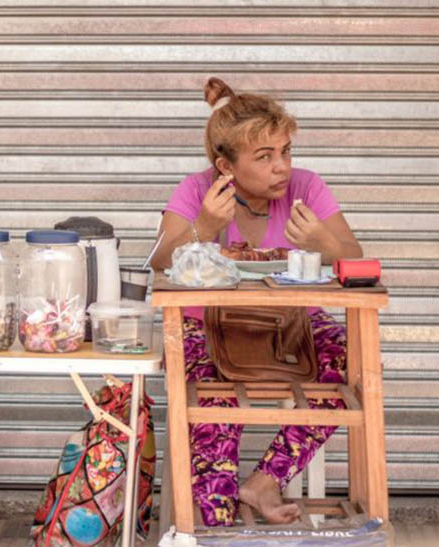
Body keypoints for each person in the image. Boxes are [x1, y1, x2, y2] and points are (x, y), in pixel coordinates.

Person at [150, 77, 363, 526]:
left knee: (350, 362)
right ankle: (218, 520)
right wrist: (204, 226)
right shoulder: (196, 191)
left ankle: (265, 480)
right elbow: (160, 261)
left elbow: (354, 257)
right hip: (206, 324)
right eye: (264, 157)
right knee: (210, 393)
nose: (281, 167)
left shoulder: (307, 187)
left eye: (285, 151)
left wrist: (325, 244)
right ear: (225, 166)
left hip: (290, 324)